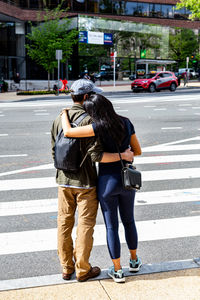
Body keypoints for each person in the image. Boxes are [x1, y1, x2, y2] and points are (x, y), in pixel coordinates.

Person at [51, 79, 134, 282]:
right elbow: (96, 155)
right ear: (87, 97)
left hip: (63, 180)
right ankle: (82, 269)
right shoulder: (91, 120)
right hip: (86, 182)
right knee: (85, 226)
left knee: (64, 224)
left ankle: (66, 267)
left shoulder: (59, 118)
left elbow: (54, 149)